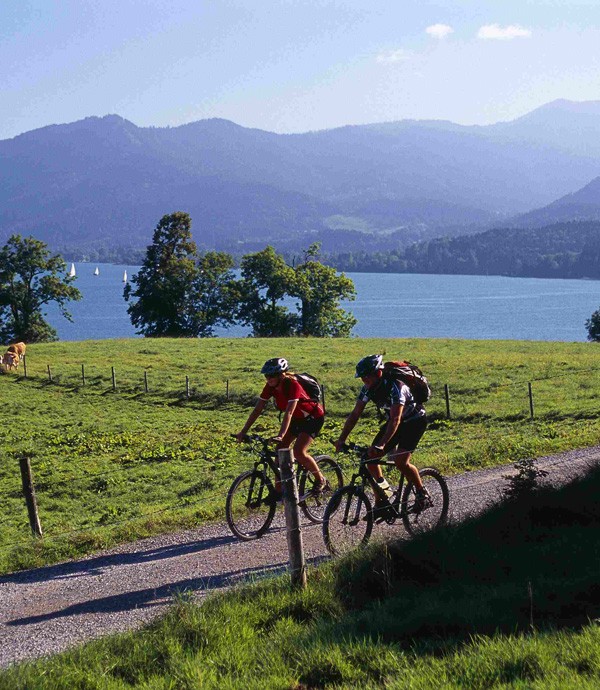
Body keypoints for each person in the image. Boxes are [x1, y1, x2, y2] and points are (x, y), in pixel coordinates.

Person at [334, 354, 430, 516]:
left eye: (367, 377)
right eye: (362, 378)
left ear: (378, 373)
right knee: (370, 460)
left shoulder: (396, 387)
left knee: (400, 461)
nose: (364, 381)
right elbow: (355, 415)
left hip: (414, 421)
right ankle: (383, 498)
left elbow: (395, 419)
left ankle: (422, 493)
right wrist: (341, 439)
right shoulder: (367, 389)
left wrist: (382, 444)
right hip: (395, 423)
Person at [236, 357, 327, 497]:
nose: (268, 379)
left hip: (312, 418)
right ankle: (279, 492)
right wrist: (243, 432)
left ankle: (320, 480)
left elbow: (289, 412)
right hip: (297, 419)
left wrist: (281, 435)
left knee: (299, 452)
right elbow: (257, 410)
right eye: (266, 375)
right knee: (279, 451)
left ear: (282, 374)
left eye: (271, 375)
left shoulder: (293, 385)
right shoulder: (270, 387)